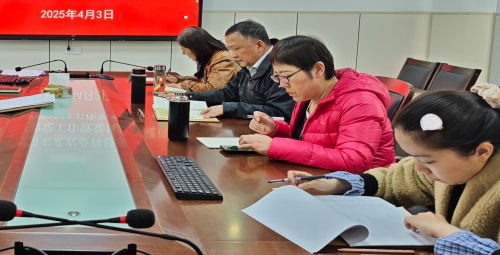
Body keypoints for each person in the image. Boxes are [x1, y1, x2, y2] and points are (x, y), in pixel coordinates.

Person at [288, 83, 500, 255]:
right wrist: (335, 185)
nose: (418, 168)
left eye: (427, 161)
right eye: (412, 157)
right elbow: (397, 179)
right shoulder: (460, 159)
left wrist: (447, 233)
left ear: (482, 152)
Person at [238, 35, 394, 173]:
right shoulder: (308, 95)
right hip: (321, 178)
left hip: (362, 188)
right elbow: (310, 140)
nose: (282, 84)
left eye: (286, 76)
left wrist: (275, 146)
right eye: (277, 77)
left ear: (318, 69)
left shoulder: (360, 102)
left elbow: (353, 161)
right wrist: (275, 129)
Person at [189, 20, 294, 121]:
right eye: (230, 49)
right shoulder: (248, 66)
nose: (232, 55)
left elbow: (279, 112)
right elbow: (227, 94)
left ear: (259, 45)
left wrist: (230, 108)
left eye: (236, 49)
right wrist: (188, 96)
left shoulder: (280, 68)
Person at [165, 27, 237, 92]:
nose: (183, 53)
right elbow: (201, 79)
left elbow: (211, 88)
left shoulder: (222, 58)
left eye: (183, 49)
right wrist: (178, 79)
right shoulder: (208, 57)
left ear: (196, 47)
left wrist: (184, 85)